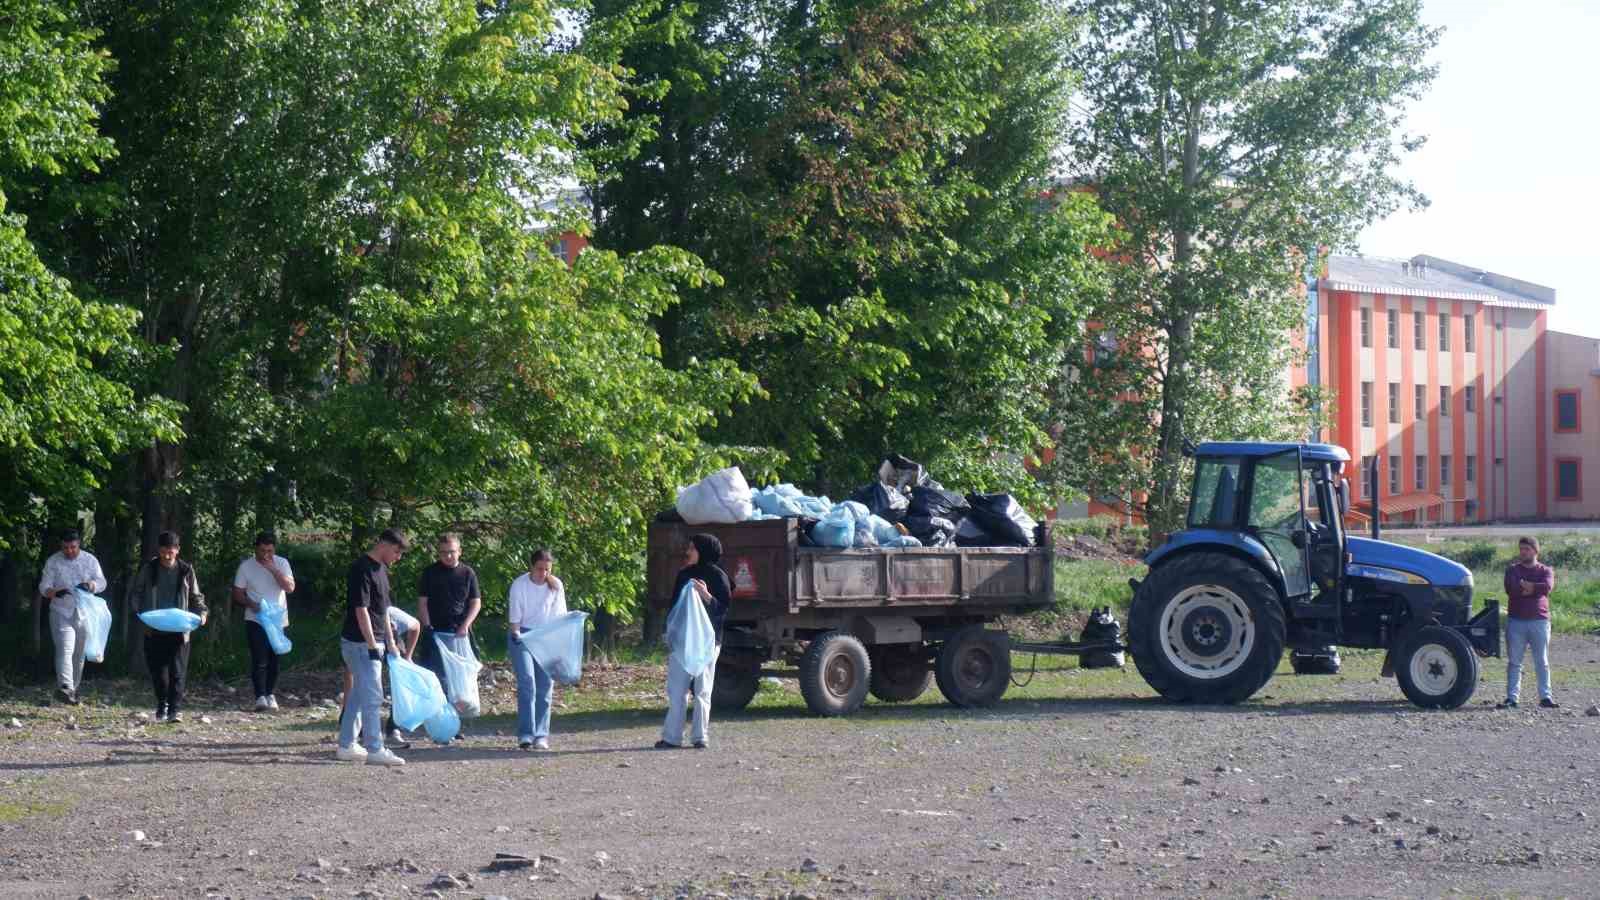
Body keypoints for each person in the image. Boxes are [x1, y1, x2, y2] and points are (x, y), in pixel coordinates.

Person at [336, 529, 409, 765]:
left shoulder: (382, 570)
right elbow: (361, 610)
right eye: (397, 551)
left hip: (375, 641)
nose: (398, 557)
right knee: (372, 696)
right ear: (384, 545)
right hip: (359, 643)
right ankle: (375, 748)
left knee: (358, 694)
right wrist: (371, 645)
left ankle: (346, 745)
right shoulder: (361, 569)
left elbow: (384, 611)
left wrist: (390, 642)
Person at [656, 533, 731, 750]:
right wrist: (668, 633)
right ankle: (671, 737)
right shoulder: (684, 575)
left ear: (703, 551)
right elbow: (675, 607)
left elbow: (722, 610)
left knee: (702, 690)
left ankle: (700, 737)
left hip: (707, 642)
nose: (687, 552)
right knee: (677, 690)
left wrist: (705, 594)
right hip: (682, 641)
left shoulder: (718, 577)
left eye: (692, 548)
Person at [130, 531, 206, 722]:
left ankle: (175, 710)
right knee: (158, 672)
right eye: (164, 550)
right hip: (154, 628)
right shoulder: (149, 569)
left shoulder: (186, 570)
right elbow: (136, 593)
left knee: (177, 672)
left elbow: (196, 597)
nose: (167, 554)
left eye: (171, 550)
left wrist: (202, 614)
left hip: (180, 630)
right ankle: (162, 704)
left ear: (177, 550)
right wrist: (138, 612)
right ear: (159, 549)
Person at [417, 533, 481, 742]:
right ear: (438, 553)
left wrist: (465, 625)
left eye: (452, 552)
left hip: (459, 635)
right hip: (435, 634)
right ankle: (438, 725)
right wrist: (427, 628)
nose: (448, 556)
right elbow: (423, 602)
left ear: (459, 551)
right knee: (438, 681)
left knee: (457, 683)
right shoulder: (429, 573)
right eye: (444, 553)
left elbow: (475, 603)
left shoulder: (467, 573)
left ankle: (454, 725)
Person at [37, 529, 107, 705]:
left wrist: (91, 585)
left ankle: (72, 692)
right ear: (61, 546)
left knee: (79, 653)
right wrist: (52, 592)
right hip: (61, 611)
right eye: (66, 547)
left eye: (73, 547)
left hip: (85, 613)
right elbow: (44, 586)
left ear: (79, 544)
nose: (69, 551)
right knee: (64, 648)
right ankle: (65, 686)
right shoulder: (53, 561)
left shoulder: (90, 560)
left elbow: (102, 582)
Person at [507, 549, 566, 751]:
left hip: (546, 637)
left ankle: (541, 735)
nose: (543, 573)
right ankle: (525, 734)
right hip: (522, 635)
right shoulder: (519, 585)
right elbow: (514, 620)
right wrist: (517, 635)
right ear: (531, 567)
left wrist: (556, 644)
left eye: (546, 569)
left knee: (544, 686)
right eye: (539, 569)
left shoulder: (556, 585)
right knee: (527, 682)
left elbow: (560, 617)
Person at [231, 532, 295, 712]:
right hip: (256, 618)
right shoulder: (246, 567)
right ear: (255, 548)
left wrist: (273, 569)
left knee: (275, 658)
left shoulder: (282, 563)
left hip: (278, 620)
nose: (266, 554)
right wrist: (252, 604)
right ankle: (260, 696)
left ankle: (270, 694)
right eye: (262, 550)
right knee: (259, 657)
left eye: (270, 550)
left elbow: (290, 588)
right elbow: (237, 593)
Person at [1500, 536, 1557, 709]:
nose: (1523, 552)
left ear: (1535, 550)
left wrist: (1528, 586)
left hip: (1539, 621)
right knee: (1515, 662)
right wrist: (1534, 588)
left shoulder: (1546, 570)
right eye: (1521, 549)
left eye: (1527, 549)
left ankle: (1545, 697)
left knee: (1542, 661)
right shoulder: (1512, 570)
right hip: (1516, 621)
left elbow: (1546, 587)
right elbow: (1511, 589)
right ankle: (1512, 698)